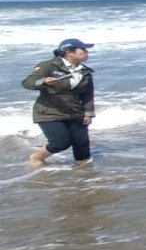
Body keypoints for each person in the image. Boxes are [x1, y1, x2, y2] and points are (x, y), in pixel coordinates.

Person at [23, 38, 97, 167]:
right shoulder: (48, 66)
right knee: (60, 142)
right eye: (83, 50)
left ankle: (85, 174)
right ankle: (37, 157)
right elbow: (27, 83)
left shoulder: (85, 71)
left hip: (74, 112)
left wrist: (88, 113)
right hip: (49, 112)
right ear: (69, 52)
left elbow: (88, 94)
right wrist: (43, 81)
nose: (86, 53)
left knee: (82, 144)